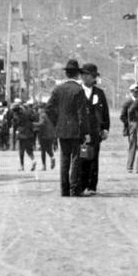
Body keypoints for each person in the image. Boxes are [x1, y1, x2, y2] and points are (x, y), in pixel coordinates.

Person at [45, 60, 91, 197]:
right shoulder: (79, 90)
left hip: (62, 129)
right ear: (77, 74)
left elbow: (48, 108)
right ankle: (74, 189)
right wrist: (86, 132)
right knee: (76, 159)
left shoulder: (58, 89)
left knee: (64, 159)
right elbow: (82, 114)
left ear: (66, 74)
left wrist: (57, 121)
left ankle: (64, 190)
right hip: (76, 130)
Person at [80, 63, 110, 193]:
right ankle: (82, 185)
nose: (85, 77)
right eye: (84, 75)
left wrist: (105, 128)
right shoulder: (78, 92)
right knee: (82, 157)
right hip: (81, 131)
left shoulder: (99, 93)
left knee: (93, 158)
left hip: (95, 131)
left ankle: (92, 186)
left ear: (93, 77)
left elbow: (105, 113)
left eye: (88, 75)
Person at [11, 99, 36, 171]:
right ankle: (33, 160)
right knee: (29, 149)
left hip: (22, 134)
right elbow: (33, 118)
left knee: (21, 151)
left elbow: (15, 124)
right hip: (29, 133)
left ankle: (22, 166)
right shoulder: (28, 111)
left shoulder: (17, 115)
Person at [121, 85, 138, 172]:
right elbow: (122, 116)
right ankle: (130, 166)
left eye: (137, 91)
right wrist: (129, 124)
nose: (136, 93)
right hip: (132, 128)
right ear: (131, 92)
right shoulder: (128, 102)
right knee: (133, 146)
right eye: (134, 91)